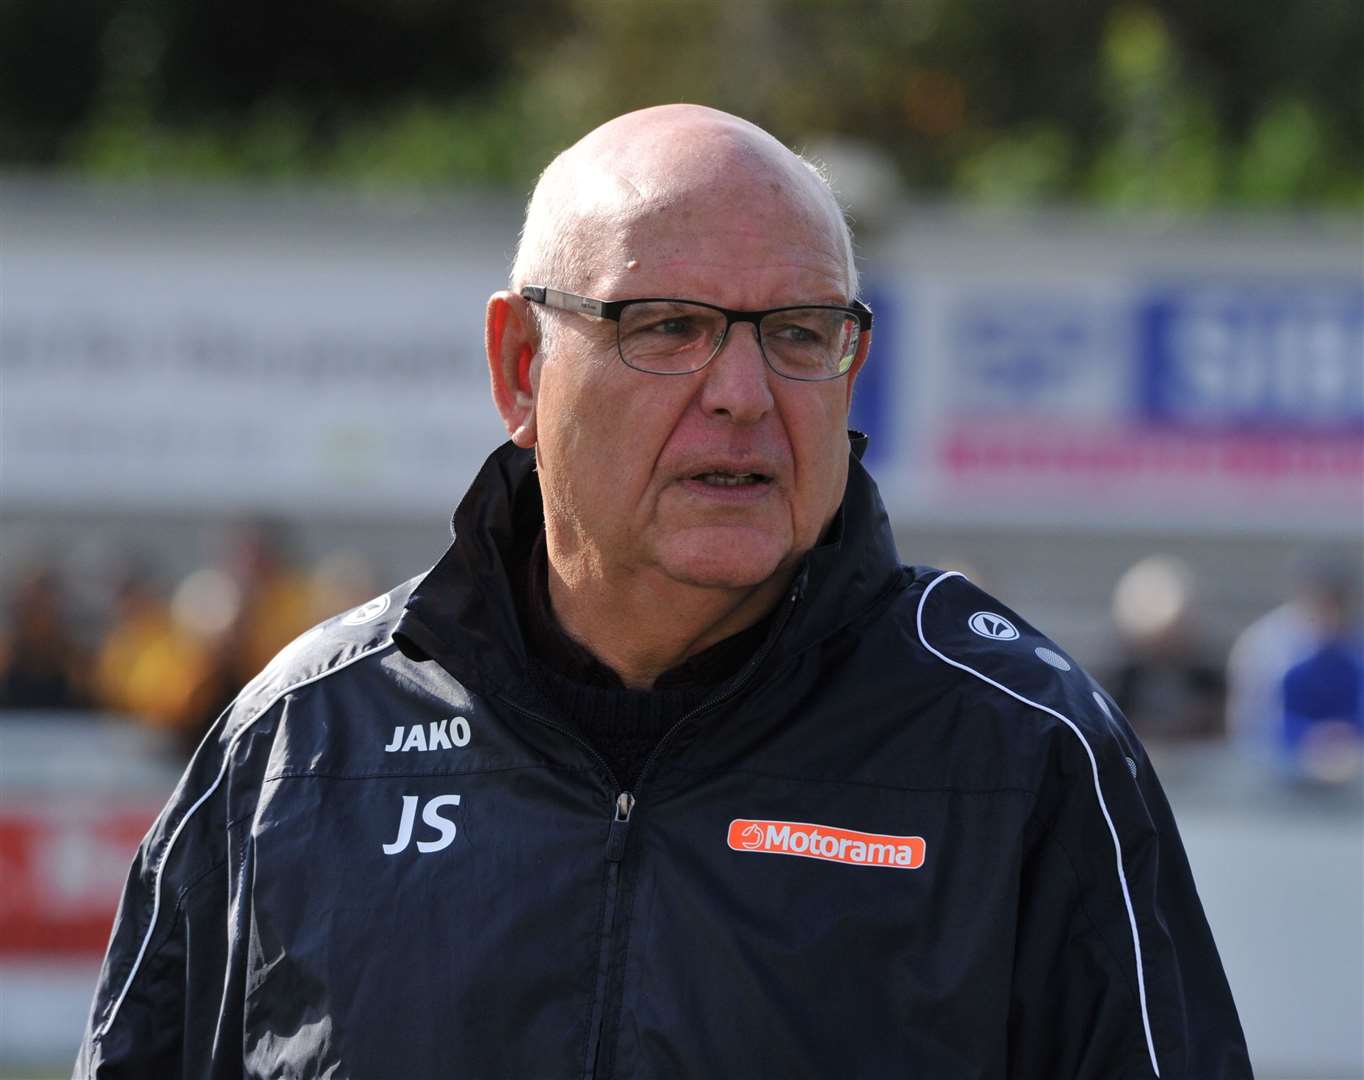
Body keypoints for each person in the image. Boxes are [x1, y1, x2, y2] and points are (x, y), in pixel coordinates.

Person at [75, 105, 1250, 1078]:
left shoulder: (1017, 750)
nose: (742, 391)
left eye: (797, 334)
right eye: (667, 327)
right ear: (521, 368)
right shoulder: (298, 747)